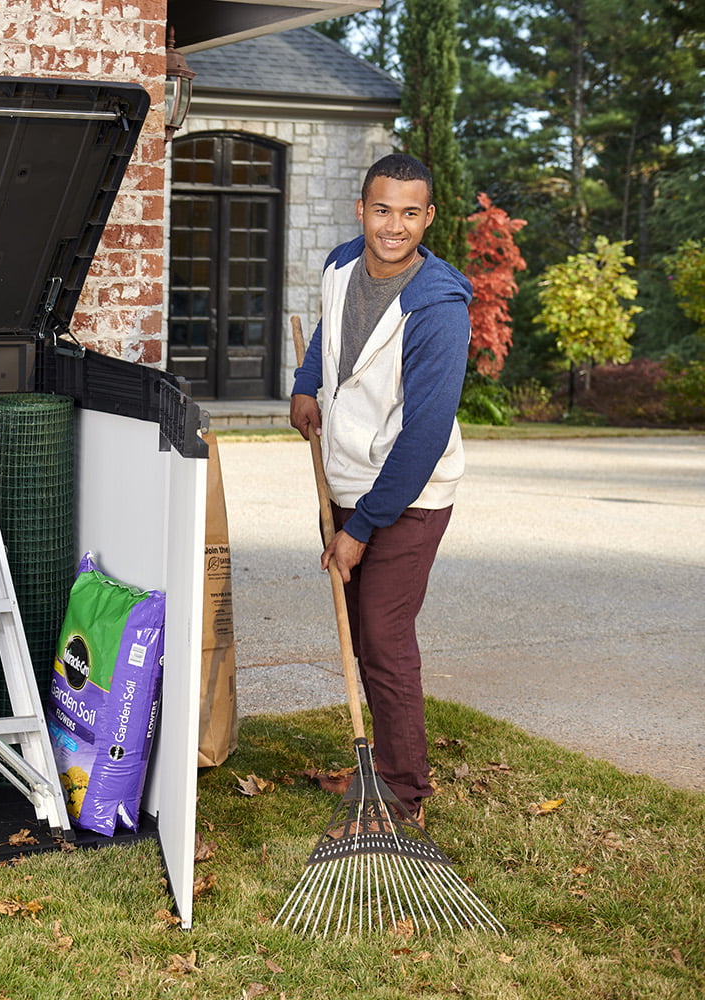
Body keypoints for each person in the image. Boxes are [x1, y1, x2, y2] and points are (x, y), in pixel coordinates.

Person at [290, 153, 472, 827]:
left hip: (409, 495)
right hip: (343, 480)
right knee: (363, 636)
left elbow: (423, 437)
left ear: (428, 216)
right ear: (361, 208)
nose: (392, 226)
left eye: (408, 212)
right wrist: (307, 384)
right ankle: (384, 766)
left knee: (385, 636)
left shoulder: (438, 308)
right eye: (380, 209)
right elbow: (326, 339)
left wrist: (361, 529)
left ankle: (403, 793)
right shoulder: (341, 264)